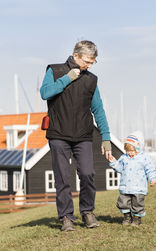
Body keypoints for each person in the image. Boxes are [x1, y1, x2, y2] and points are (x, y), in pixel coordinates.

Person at [40, 40, 112, 231]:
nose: (89, 65)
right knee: (62, 177)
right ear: (76, 55)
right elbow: (45, 93)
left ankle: (88, 212)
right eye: (87, 61)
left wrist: (106, 137)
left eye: (92, 62)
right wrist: (67, 79)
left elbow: (98, 109)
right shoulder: (54, 71)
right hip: (58, 134)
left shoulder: (91, 79)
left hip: (83, 135)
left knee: (88, 173)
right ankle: (66, 217)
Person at [108, 131, 156, 226]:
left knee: (137, 204)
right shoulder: (124, 157)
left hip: (139, 188)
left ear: (139, 148)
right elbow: (120, 168)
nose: (130, 153)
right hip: (125, 187)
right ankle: (127, 217)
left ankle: (136, 219)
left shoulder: (144, 158)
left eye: (132, 151)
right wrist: (113, 162)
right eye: (127, 151)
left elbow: (150, 169)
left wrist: (152, 179)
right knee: (123, 203)